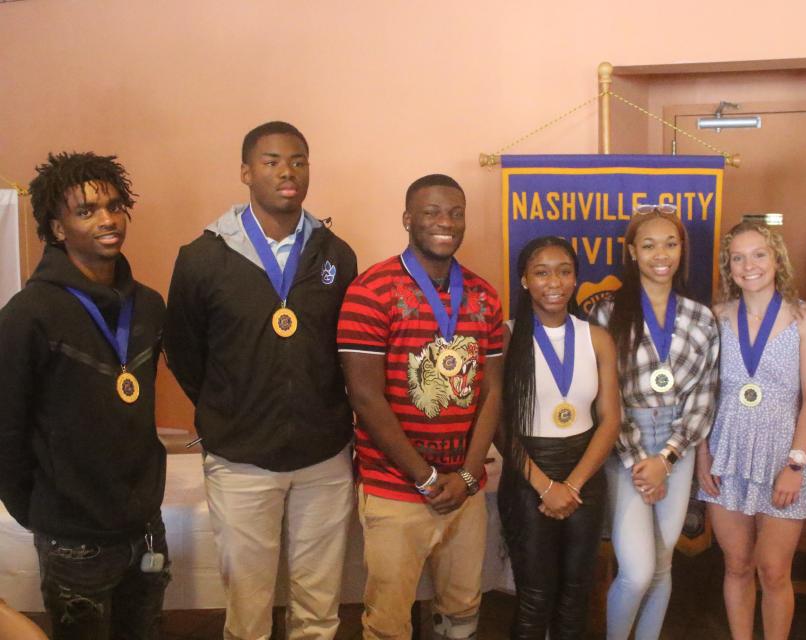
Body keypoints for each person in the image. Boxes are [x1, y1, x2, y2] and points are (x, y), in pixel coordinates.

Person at [164, 121, 357, 640]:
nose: (287, 172)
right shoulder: (202, 258)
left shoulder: (335, 255)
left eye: (298, 160)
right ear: (246, 172)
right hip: (241, 459)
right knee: (249, 613)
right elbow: (184, 351)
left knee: (318, 611)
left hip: (324, 456)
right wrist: (228, 408)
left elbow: (347, 352)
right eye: (272, 161)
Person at [0, 152, 168, 638]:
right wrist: (42, 514)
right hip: (73, 539)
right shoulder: (27, 315)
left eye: (115, 206)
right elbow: (6, 430)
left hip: (144, 527)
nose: (108, 220)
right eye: (87, 211)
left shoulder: (149, 306)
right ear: (56, 229)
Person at [337, 174, 503, 640]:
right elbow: (365, 397)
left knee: (463, 610)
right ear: (408, 219)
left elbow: (493, 392)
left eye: (455, 213)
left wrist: (468, 476)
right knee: (388, 620)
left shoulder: (484, 295)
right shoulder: (370, 291)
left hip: (464, 490)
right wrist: (426, 477)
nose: (445, 223)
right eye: (431, 212)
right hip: (396, 488)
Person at [591, 205, 719, 640]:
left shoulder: (701, 318)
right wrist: (637, 461)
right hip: (624, 443)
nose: (660, 254)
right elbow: (604, 397)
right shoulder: (608, 314)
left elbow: (705, 395)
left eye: (670, 243)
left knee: (663, 564)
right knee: (638, 570)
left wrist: (668, 457)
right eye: (648, 245)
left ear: (682, 249)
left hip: (677, 446)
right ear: (631, 252)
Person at [696, 220, 806, 640]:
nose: (748, 265)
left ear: (776, 260)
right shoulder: (716, 318)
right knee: (736, 565)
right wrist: (702, 457)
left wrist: (796, 463)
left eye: (758, 254)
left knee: (772, 570)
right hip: (726, 454)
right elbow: (703, 393)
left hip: (782, 456)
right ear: (727, 266)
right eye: (738, 257)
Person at [496, 236, 620, 639]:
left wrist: (572, 485)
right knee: (535, 594)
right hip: (528, 474)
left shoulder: (597, 338)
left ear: (575, 279)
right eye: (542, 272)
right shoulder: (506, 338)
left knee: (576, 593)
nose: (555, 282)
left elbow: (610, 420)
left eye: (565, 271)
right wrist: (545, 486)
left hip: (584, 475)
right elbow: (500, 426)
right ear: (524, 280)